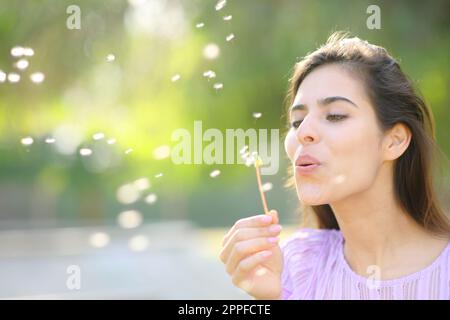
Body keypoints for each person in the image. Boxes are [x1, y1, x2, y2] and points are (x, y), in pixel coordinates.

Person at [219, 32, 450, 300]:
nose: (304, 132)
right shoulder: (294, 268)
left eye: (335, 115)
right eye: (297, 121)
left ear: (394, 141)